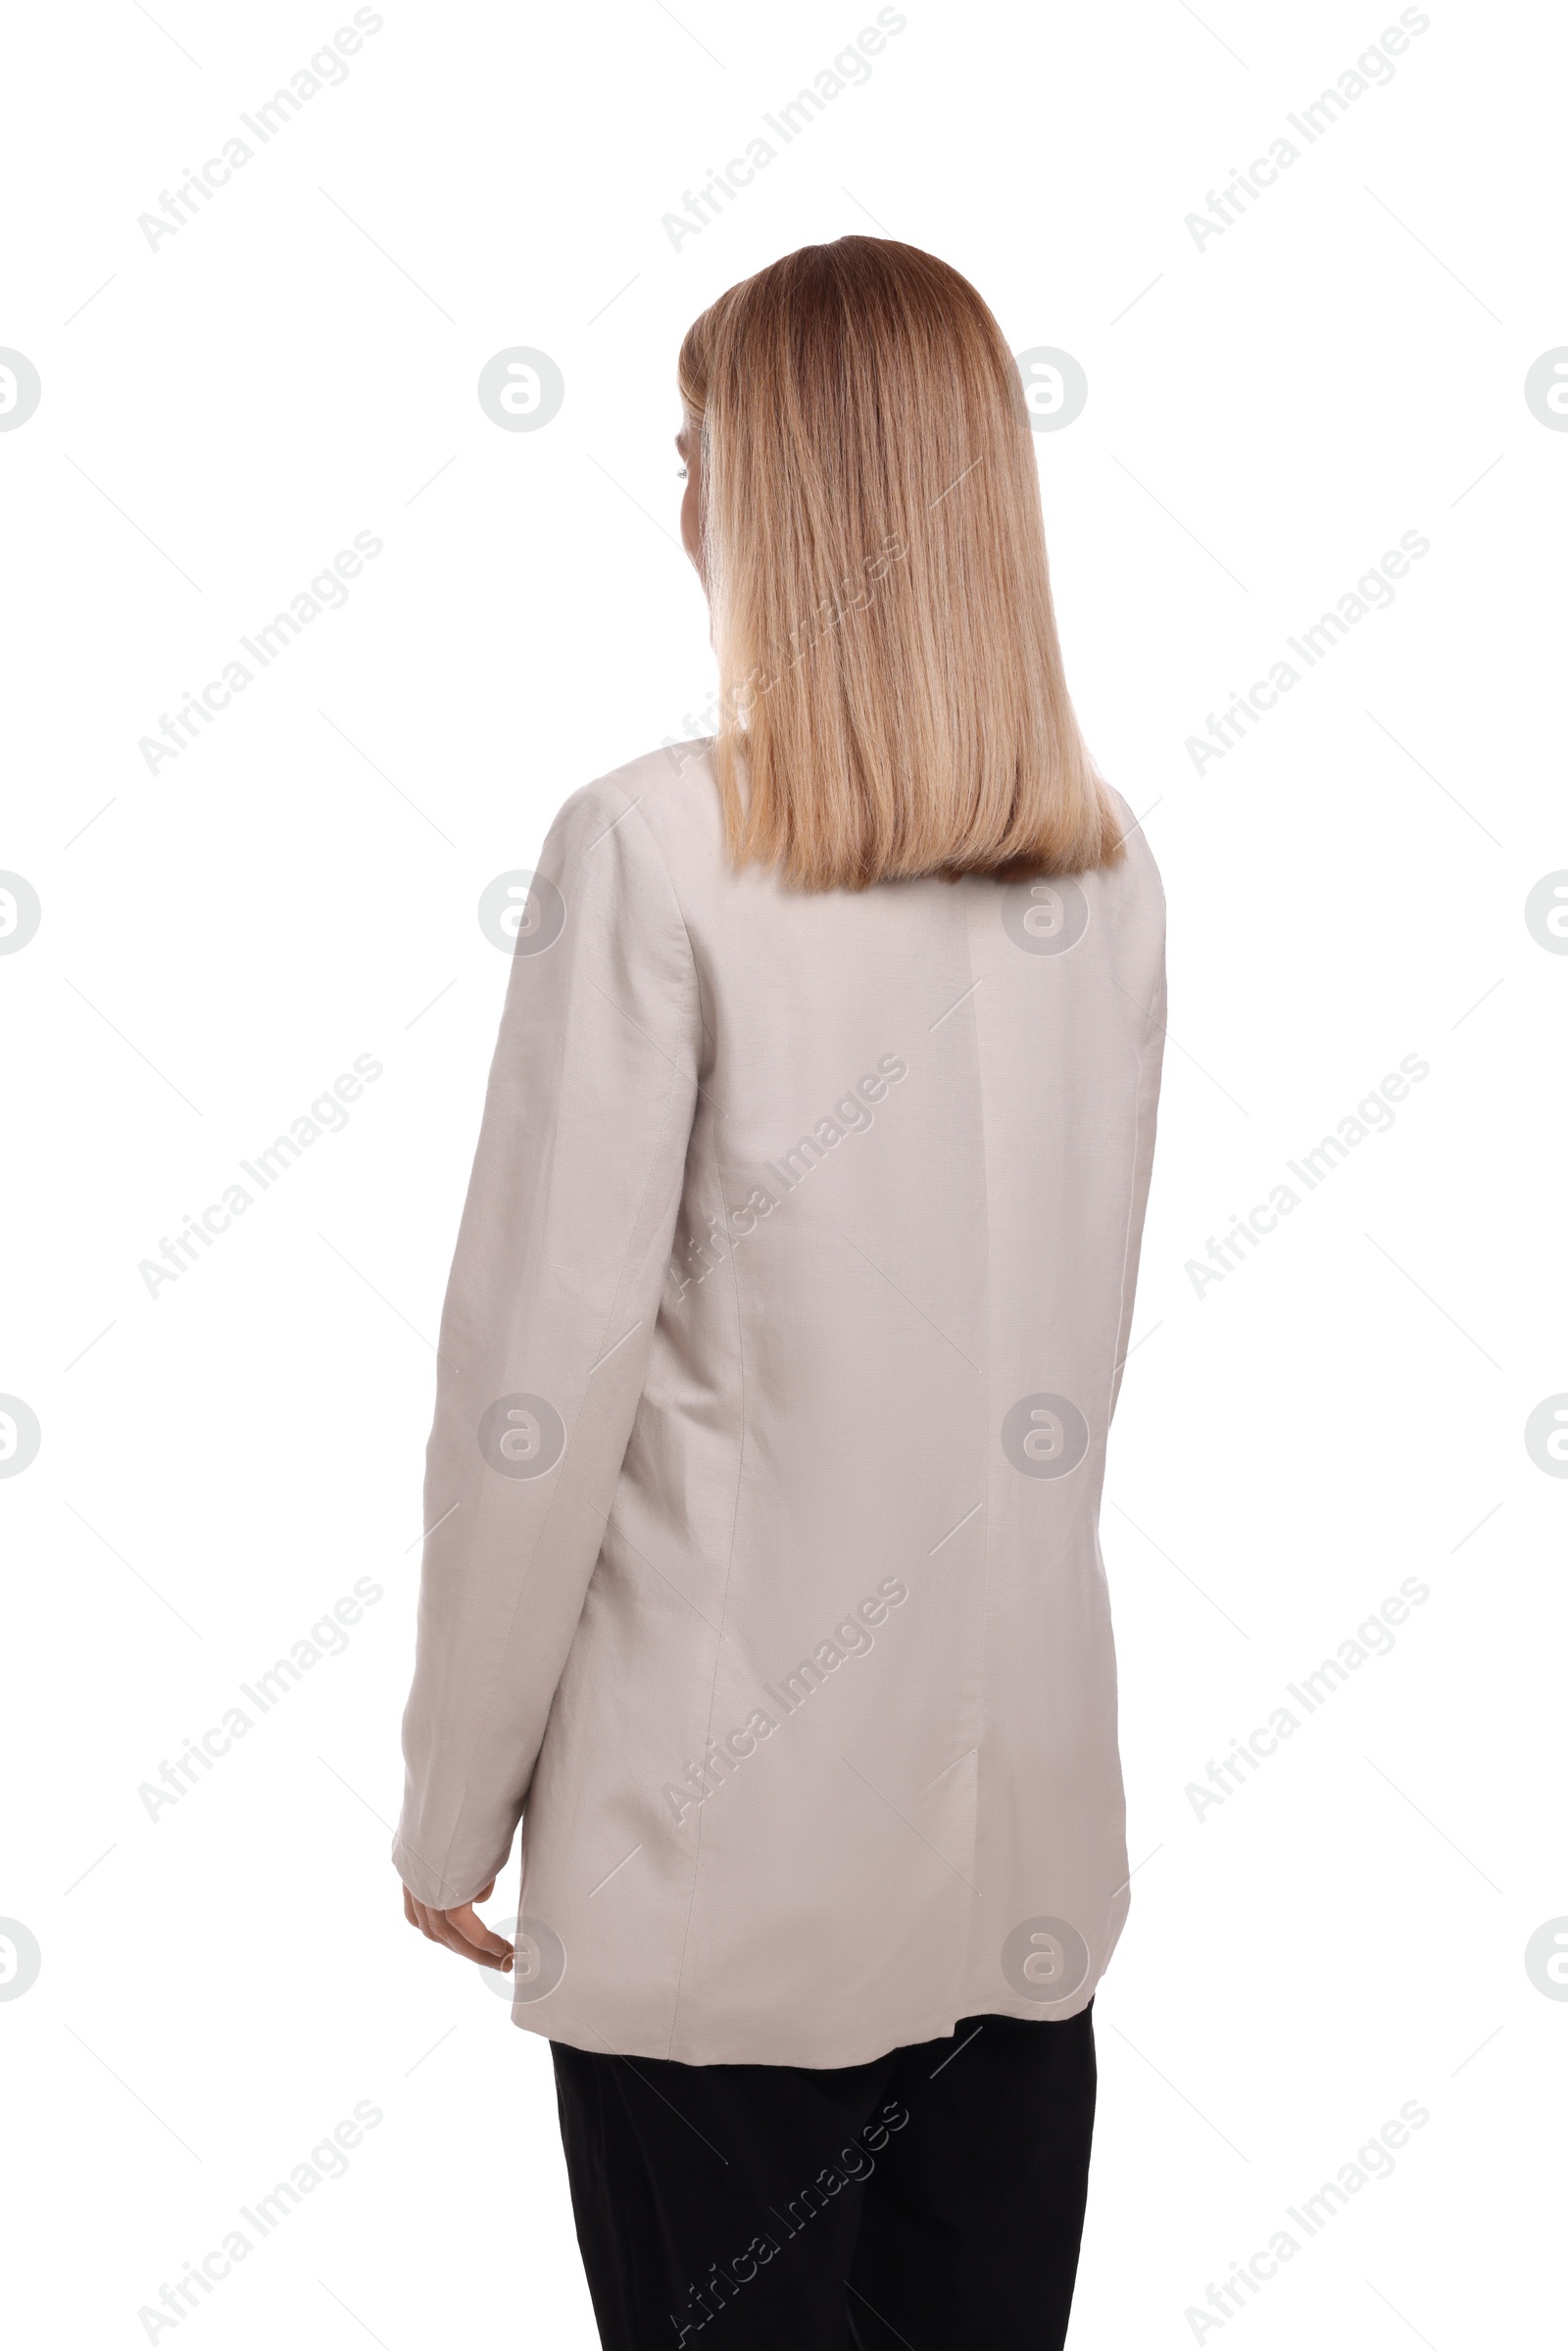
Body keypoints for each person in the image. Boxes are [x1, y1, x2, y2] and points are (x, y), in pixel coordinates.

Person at [395, 235, 1165, 2349]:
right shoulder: (1093, 868)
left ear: (785, 490)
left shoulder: (651, 849)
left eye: (694, 447)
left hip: (718, 1875)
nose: (676, 500)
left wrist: (453, 1796)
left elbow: (530, 1393)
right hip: (1017, 1864)